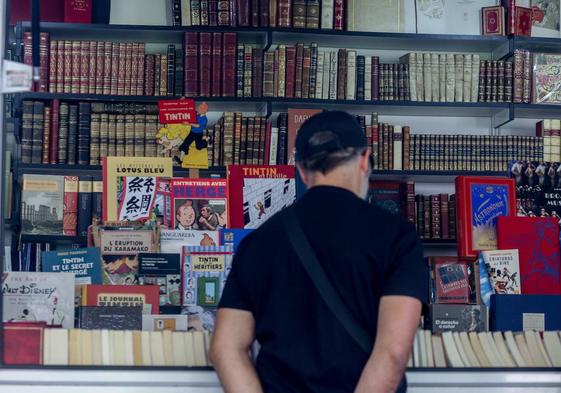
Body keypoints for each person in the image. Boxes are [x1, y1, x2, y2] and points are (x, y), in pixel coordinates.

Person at [211, 111, 427, 393]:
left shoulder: (258, 241)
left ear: (301, 170)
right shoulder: (397, 236)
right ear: (364, 160)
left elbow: (225, 348)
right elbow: (393, 351)